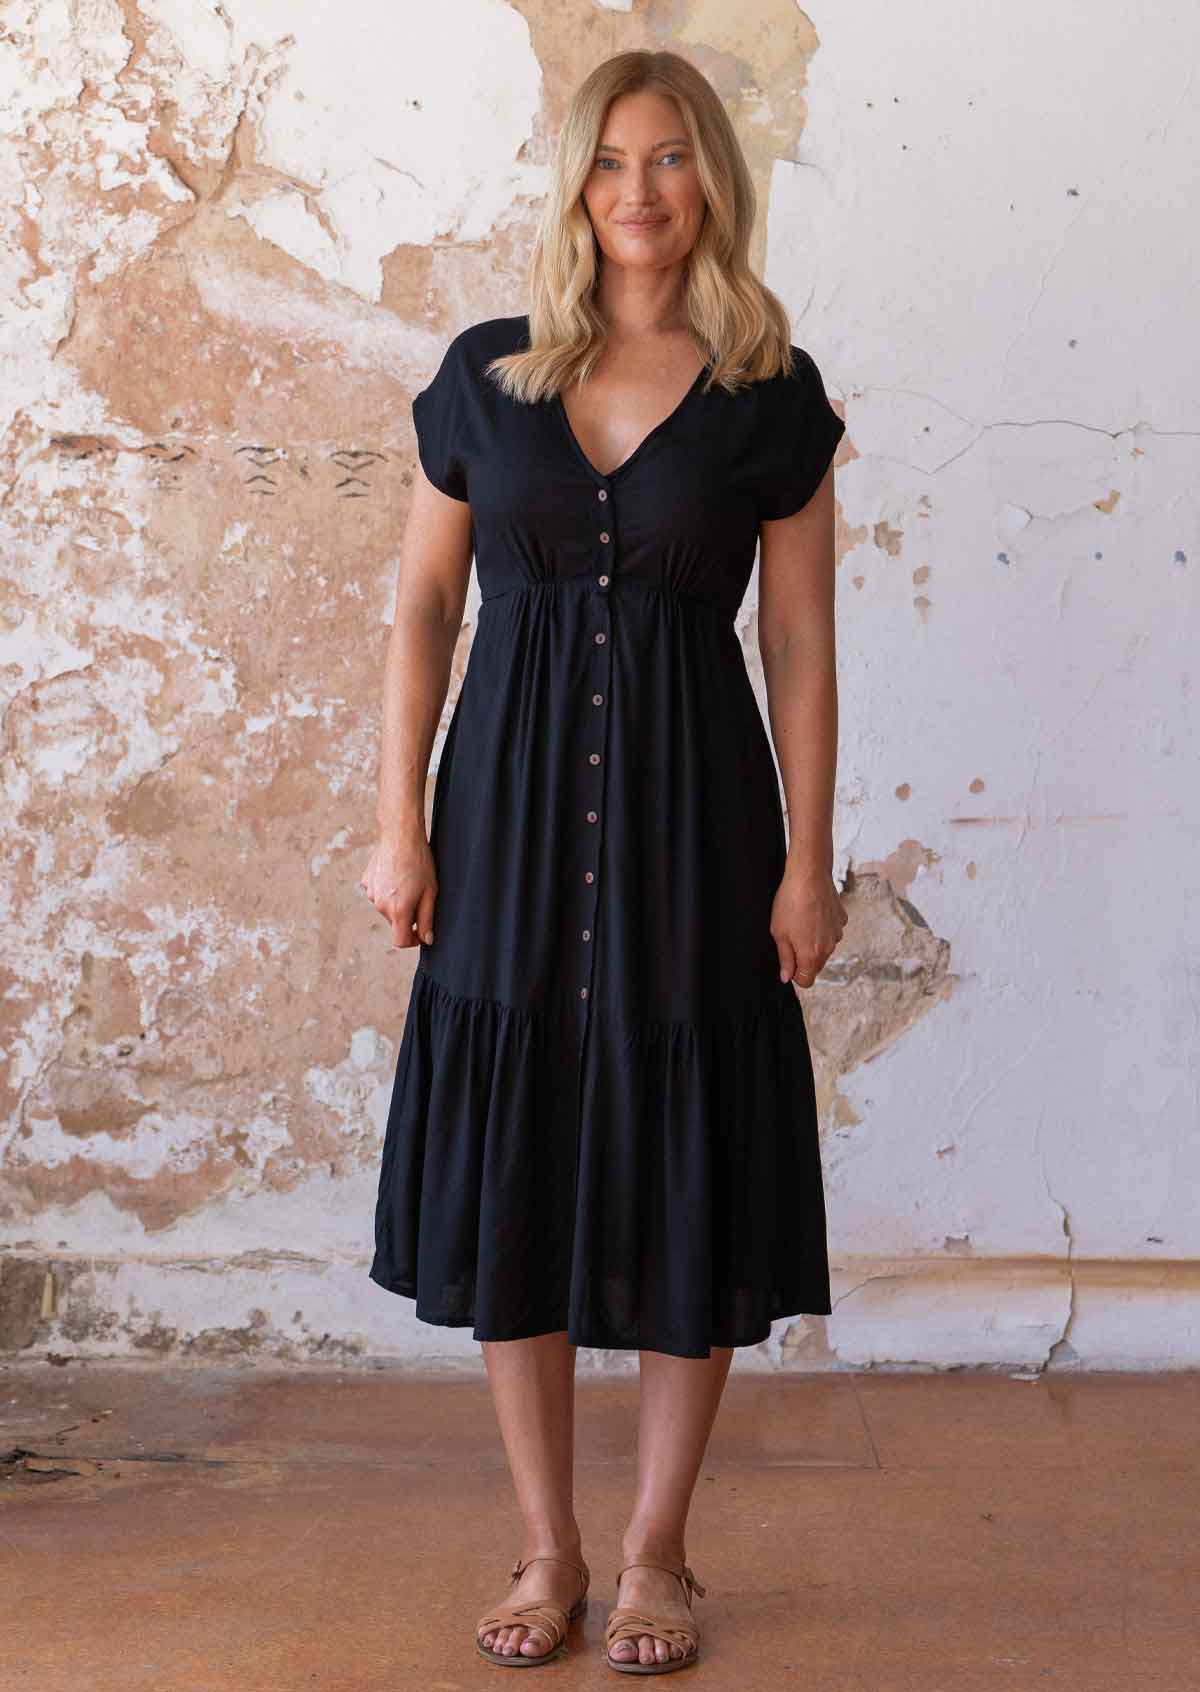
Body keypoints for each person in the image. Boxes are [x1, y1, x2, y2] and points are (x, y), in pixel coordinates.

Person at [360, 46, 848, 1676]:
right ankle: (548, 1549)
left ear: (712, 178)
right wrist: (398, 820)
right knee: (518, 1169)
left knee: (686, 1157)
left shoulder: (771, 389)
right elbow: (428, 608)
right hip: (498, 818)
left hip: (697, 826)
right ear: (574, 185)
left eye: (670, 159)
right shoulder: (487, 375)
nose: (639, 191)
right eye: (611, 162)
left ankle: (657, 1560)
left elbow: (798, 639)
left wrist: (808, 861)